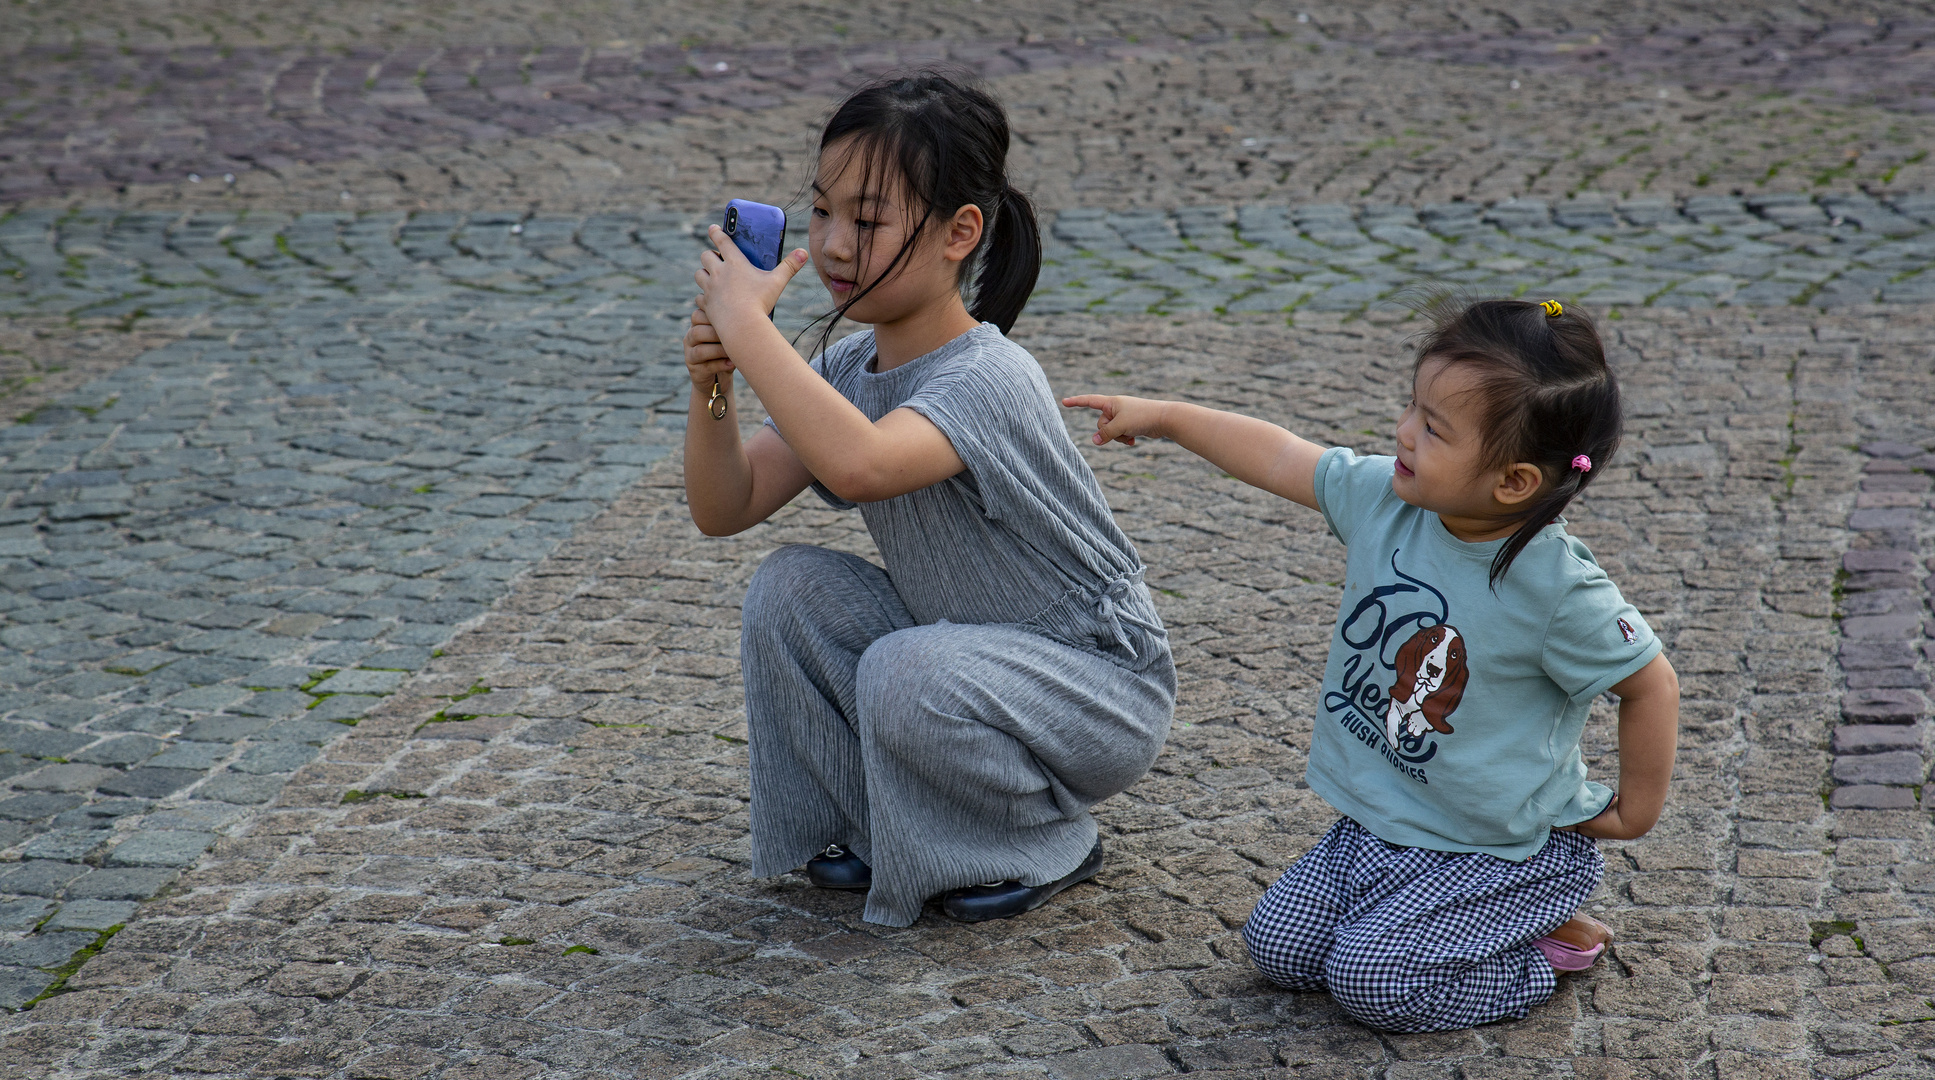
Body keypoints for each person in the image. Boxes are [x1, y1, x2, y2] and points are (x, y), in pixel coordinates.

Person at [1065, 296, 1680, 1032]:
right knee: (1280, 953)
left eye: (1432, 428)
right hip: (1383, 823)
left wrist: (1632, 810)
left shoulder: (1553, 588)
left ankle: (1542, 948)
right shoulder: (1386, 502)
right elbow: (1281, 455)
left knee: (1372, 986)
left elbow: (1648, 680)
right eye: (1410, 408)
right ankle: (1464, 927)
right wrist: (1165, 415)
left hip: (1495, 851)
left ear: (1512, 481)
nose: (1402, 433)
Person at [681, 71, 1175, 928]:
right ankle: (875, 827)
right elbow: (727, 505)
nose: (834, 245)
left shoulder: (989, 373)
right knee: (786, 589)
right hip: (970, 661)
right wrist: (712, 381)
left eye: (867, 222)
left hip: (1095, 685)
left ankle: (1045, 839)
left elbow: (864, 463)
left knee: (904, 669)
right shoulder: (846, 369)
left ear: (960, 233)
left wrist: (751, 329)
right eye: (823, 212)